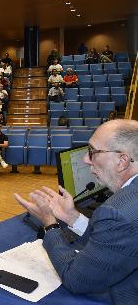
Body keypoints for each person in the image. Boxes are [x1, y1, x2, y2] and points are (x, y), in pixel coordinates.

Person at [14, 119, 138, 304]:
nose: (85, 159)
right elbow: (119, 242)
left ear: (122, 161)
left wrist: (49, 223)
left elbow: (77, 280)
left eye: (93, 152)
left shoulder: (117, 213)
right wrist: (72, 217)